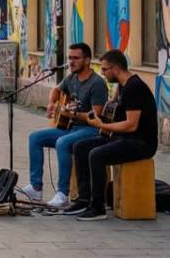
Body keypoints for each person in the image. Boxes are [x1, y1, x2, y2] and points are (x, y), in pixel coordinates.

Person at [65, 49, 158, 221]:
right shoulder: (122, 86)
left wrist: (104, 125)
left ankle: (98, 206)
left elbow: (131, 125)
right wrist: (102, 119)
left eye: (105, 69)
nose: (102, 73)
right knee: (81, 147)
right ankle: (84, 199)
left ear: (115, 69)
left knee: (97, 155)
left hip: (141, 143)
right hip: (123, 138)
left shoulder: (134, 87)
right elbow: (114, 110)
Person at [19, 42, 108, 208]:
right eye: (70, 58)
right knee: (35, 138)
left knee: (62, 143)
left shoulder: (97, 83)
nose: (71, 62)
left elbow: (96, 116)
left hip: (90, 130)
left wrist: (73, 114)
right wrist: (52, 103)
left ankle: (62, 193)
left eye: (76, 58)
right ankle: (35, 187)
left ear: (87, 60)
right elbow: (56, 90)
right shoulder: (71, 78)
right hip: (70, 128)